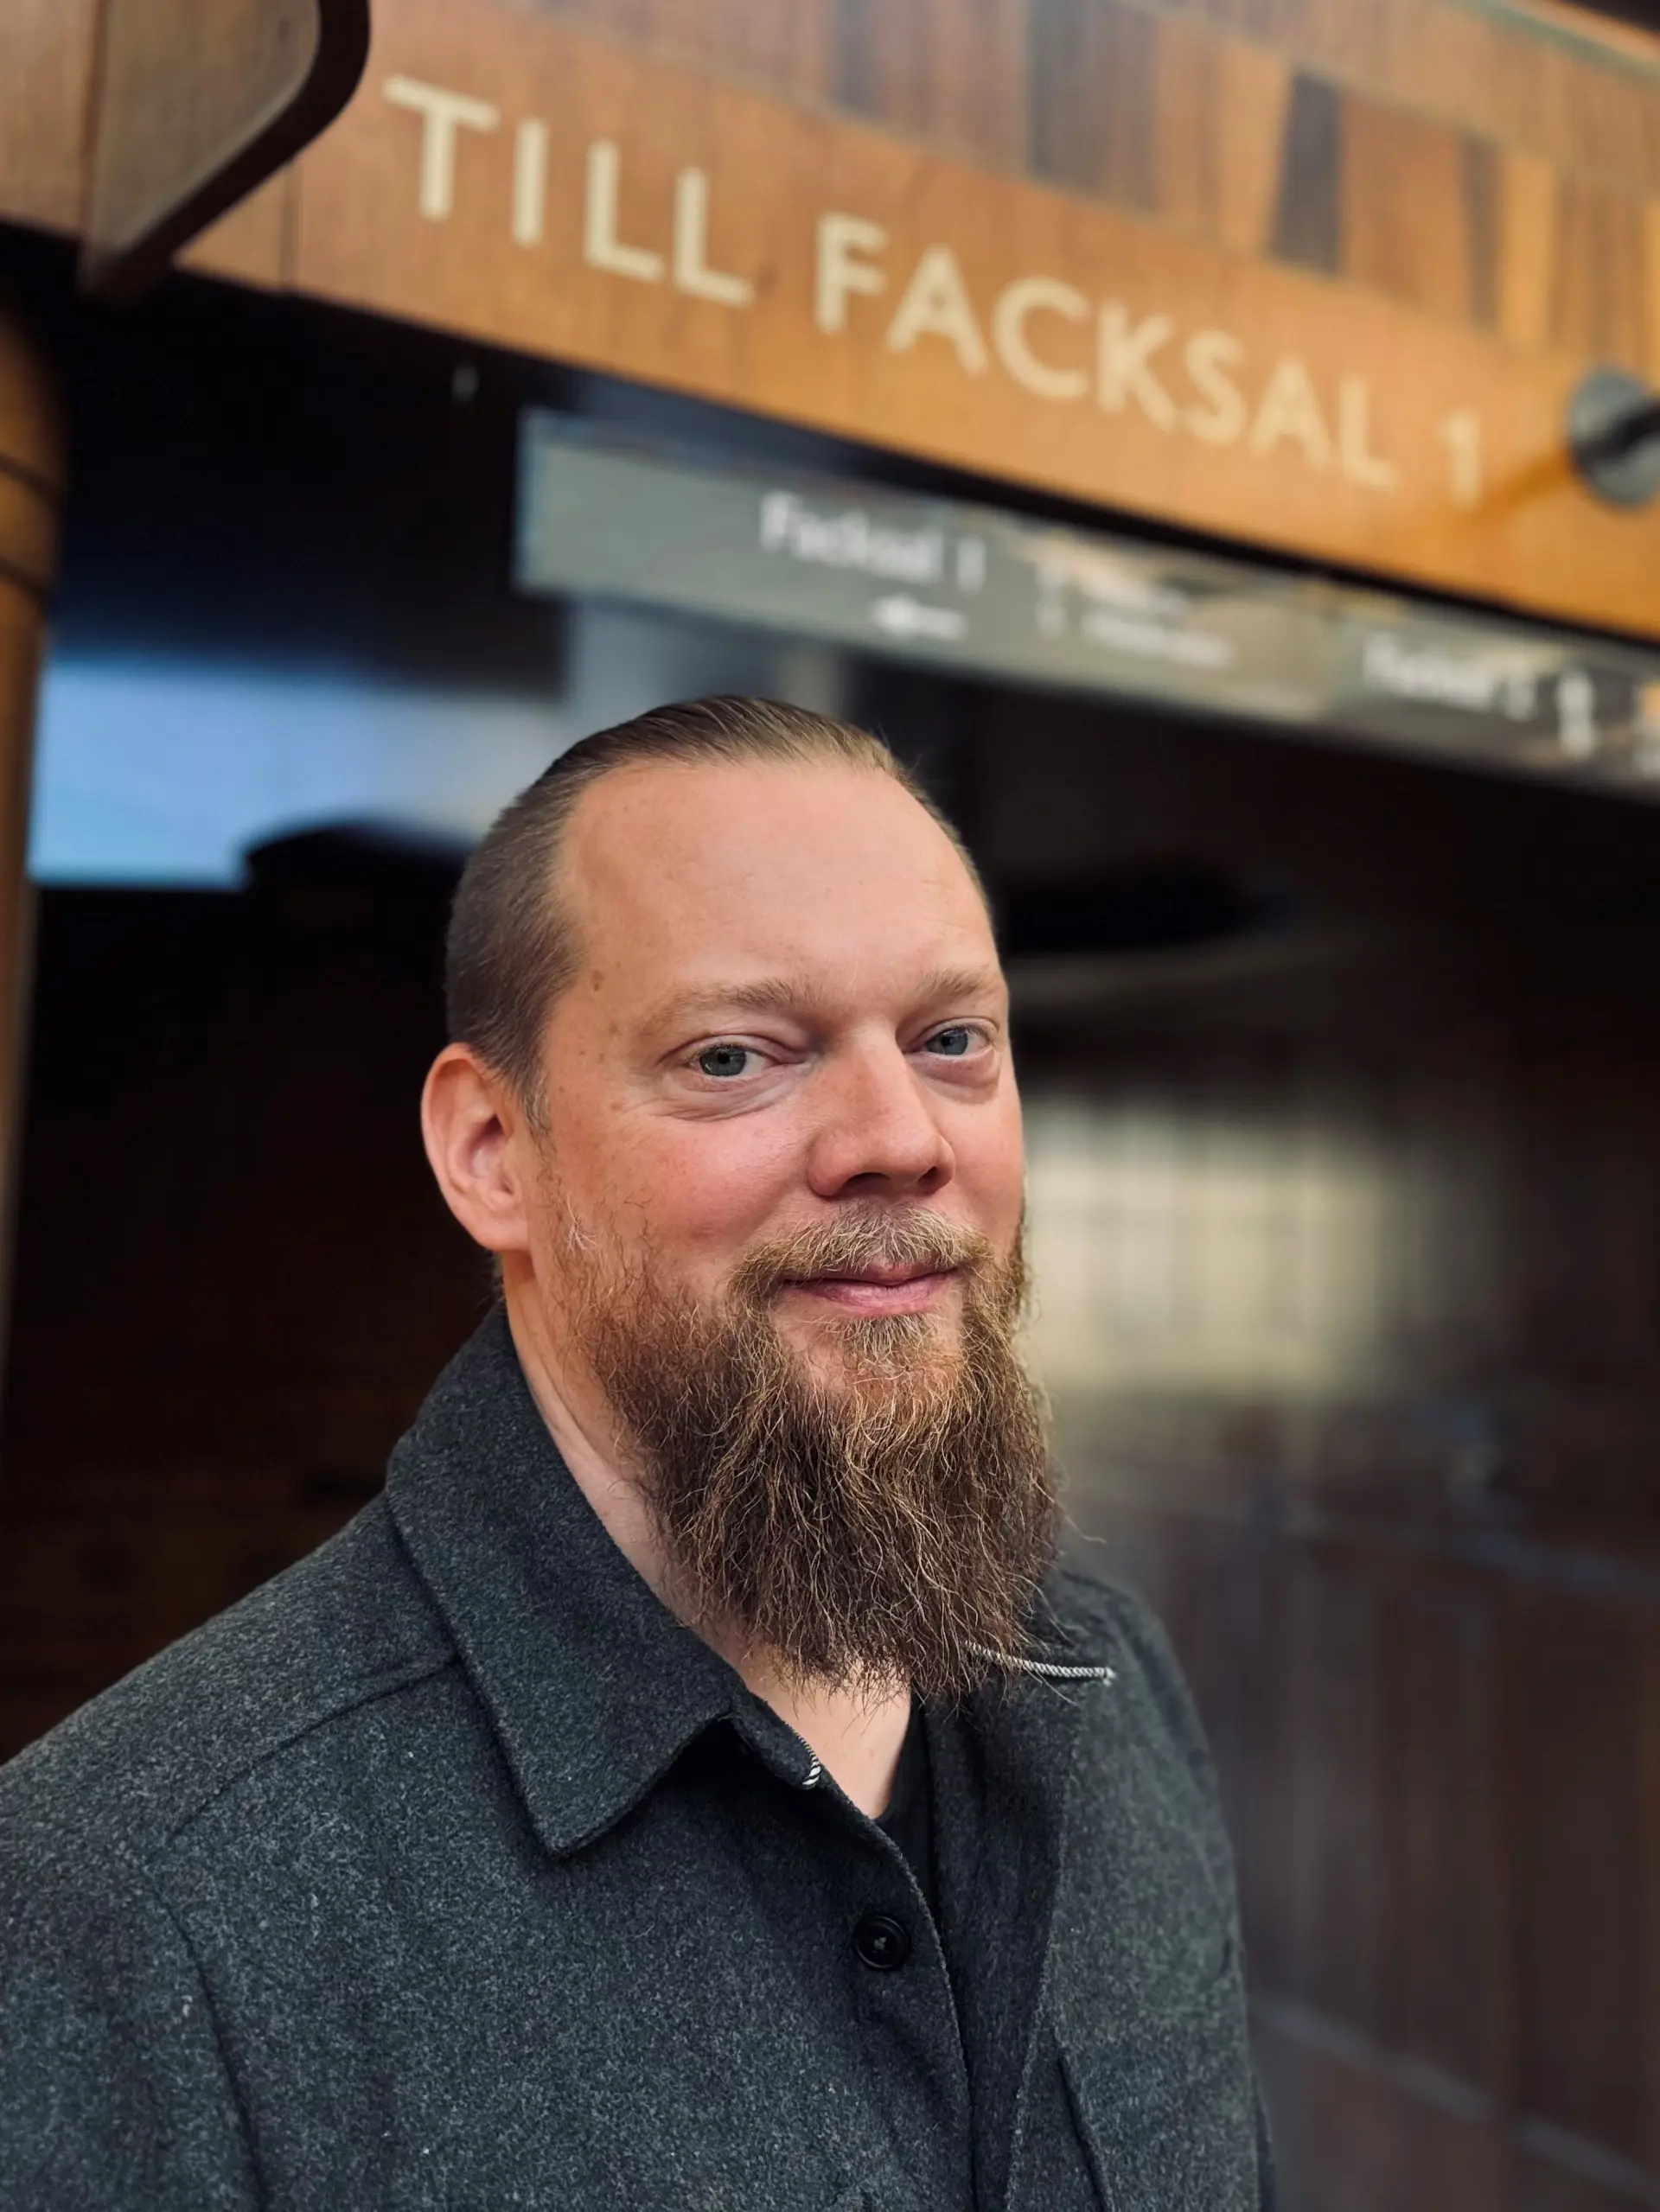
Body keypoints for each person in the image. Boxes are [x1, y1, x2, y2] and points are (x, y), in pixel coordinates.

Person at [0, 696, 1272, 2209]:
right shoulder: (129, 1904)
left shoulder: (1114, 1687)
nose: (898, 1135)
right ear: (493, 1151)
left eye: (951, 1040)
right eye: (736, 1055)